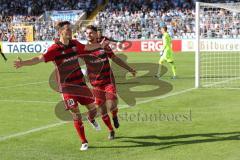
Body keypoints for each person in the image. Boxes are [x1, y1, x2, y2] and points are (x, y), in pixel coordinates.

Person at [13, 21, 109, 151]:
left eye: (71, 29)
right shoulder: (54, 49)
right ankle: (84, 141)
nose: (70, 31)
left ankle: (91, 119)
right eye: (67, 30)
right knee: (76, 114)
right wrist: (23, 63)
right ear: (61, 32)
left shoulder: (75, 44)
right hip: (67, 87)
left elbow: (87, 48)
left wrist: (100, 45)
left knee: (93, 110)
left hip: (80, 84)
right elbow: (39, 58)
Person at [83, 25, 137, 139]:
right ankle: (111, 130)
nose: (88, 35)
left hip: (108, 81)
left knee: (112, 104)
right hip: (95, 84)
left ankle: (115, 115)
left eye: (91, 33)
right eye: (86, 33)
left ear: (95, 33)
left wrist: (130, 69)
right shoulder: (83, 48)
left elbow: (115, 58)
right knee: (102, 111)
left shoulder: (104, 46)